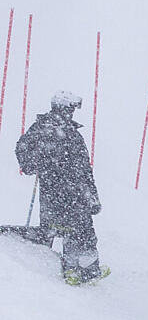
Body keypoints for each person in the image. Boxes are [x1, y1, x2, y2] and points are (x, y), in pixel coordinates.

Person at [13, 91, 103, 284]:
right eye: (70, 108)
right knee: (68, 227)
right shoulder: (46, 129)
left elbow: (84, 169)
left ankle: (88, 269)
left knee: (79, 228)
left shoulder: (68, 133)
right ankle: (72, 271)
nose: (71, 113)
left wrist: (92, 195)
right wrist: (35, 163)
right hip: (59, 190)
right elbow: (23, 150)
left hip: (71, 191)